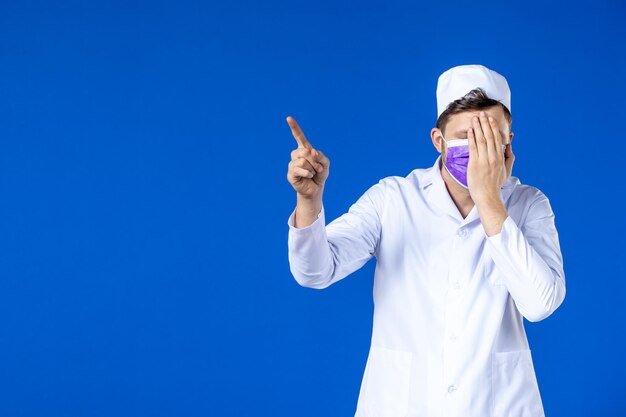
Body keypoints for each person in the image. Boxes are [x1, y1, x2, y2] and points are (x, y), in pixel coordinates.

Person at [285, 64, 566, 417]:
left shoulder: (529, 205)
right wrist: (309, 202)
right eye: (467, 136)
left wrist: (489, 199)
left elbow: (541, 303)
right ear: (439, 140)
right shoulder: (393, 198)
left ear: (509, 141)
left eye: (491, 136)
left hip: (498, 405)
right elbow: (314, 272)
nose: (479, 148)